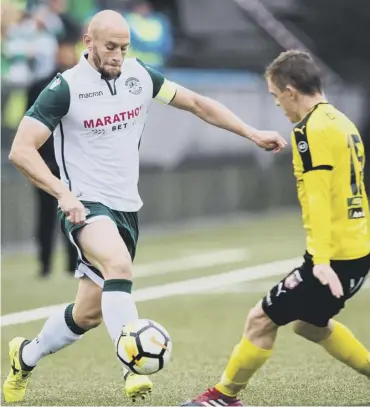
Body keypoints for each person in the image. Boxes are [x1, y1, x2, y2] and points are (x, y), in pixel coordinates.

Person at [2, 10, 286, 404]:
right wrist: (63, 194)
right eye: (110, 47)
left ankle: (24, 355)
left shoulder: (140, 76)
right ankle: (131, 367)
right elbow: (21, 150)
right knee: (119, 266)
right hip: (85, 204)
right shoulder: (64, 88)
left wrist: (252, 133)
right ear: (88, 42)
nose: (118, 55)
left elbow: (197, 104)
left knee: (88, 312)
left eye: (124, 47)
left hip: (126, 208)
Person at [182, 50, 370, 407]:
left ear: (291, 90)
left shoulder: (309, 131)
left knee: (260, 319)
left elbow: (318, 199)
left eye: (275, 96)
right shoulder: (343, 123)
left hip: (333, 255)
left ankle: (222, 398)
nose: (278, 105)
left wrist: (321, 261)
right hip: (358, 248)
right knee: (309, 324)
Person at [27, 40, 79, 277]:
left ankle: (74, 264)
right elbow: (27, 128)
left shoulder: (84, 87)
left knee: (75, 216)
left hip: (74, 166)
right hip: (46, 164)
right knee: (45, 218)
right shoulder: (40, 86)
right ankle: (44, 265)